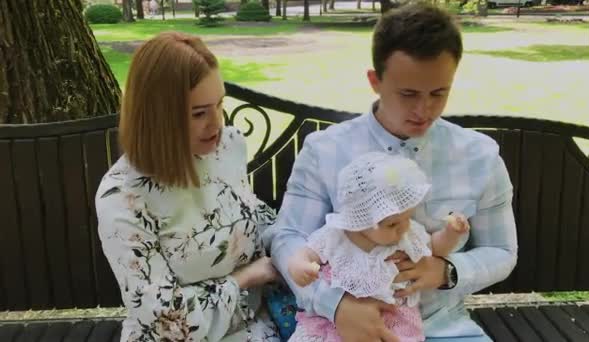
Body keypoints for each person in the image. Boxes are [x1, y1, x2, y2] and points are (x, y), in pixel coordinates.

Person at [265, 3, 518, 341]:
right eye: (408, 94)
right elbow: (288, 238)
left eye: (438, 93)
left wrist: (447, 271)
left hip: (444, 327)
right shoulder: (325, 150)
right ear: (375, 81)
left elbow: (503, 251)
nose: (423, 110)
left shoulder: (480, 157)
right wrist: (334, 304)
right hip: (340, 328)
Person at [96, 32, 280, 342]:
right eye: (199, 113)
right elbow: (167, 322)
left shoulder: (227, 147)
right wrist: (247, 278)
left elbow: (248, 214)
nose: (216, 123)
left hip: (261, 326)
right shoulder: (123, 196)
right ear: (158, 117)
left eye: (220, 104)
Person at [287, 152, 470, 342]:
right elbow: (306, 253)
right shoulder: (336, 235)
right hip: (339, 318)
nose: (403, 227)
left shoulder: (407, 234)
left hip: (393, 318)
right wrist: (300, 266)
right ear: (361, 220)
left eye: (407, 218)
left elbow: (434, 247)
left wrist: (451, 233)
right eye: (392, 224)